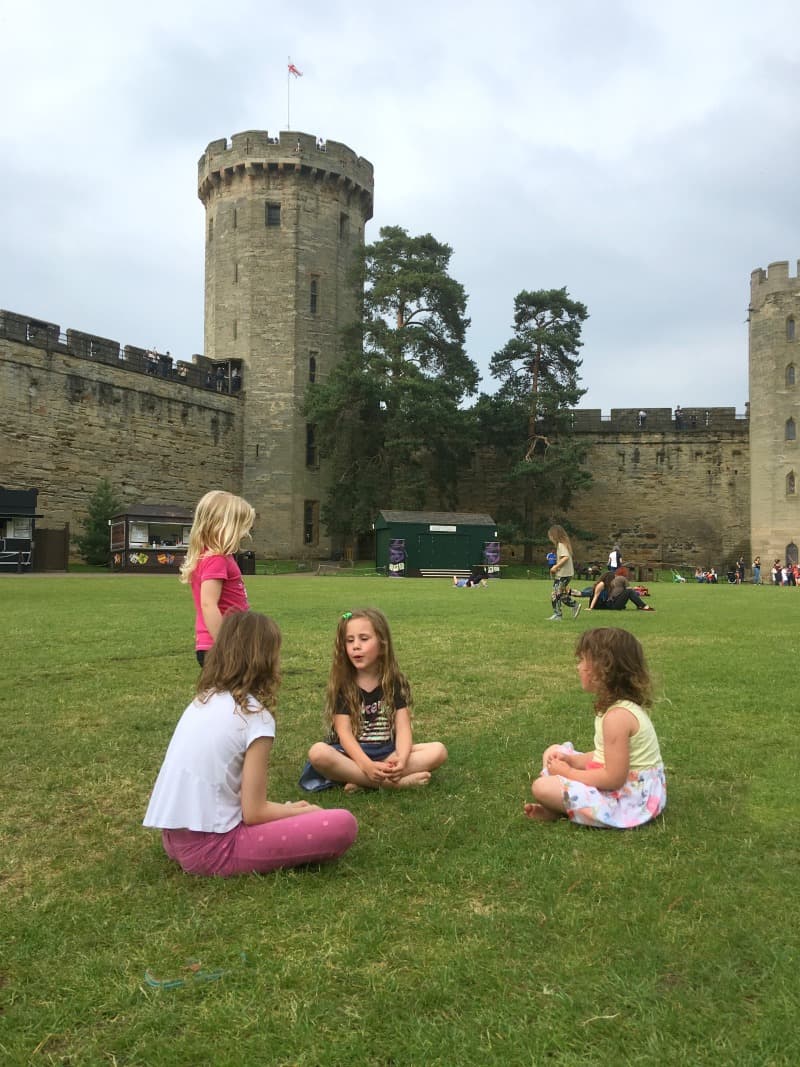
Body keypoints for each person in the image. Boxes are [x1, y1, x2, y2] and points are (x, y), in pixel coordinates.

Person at [143, 611, 358, 877]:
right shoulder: (255, 717)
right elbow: (254, 812)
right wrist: (298, 813)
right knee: (342, 824)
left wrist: (288, 809)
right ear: (266, 659)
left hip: (174, 838)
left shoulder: (203, 701)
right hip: (212, 849)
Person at [523, 627, 667, 828]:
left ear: (603, 670)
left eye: (582, 661)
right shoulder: (614, 709)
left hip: (630, 797)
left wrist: (568, 773)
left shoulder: (617, 717)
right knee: (553, 751)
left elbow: (614, 778)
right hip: (622, 781)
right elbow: (605, 755)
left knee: (542, 787)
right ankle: (561, 807)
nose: (578, 667)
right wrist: (572, 760)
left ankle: (559, 809)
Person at [300, 608, 448, 793]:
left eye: (364, 639)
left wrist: (401, 758)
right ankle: (390, 783)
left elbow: (403, 727)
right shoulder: (344, 685)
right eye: (350, 640)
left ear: (382, 644)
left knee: (438, 751)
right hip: (351, 756)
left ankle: (360, 780)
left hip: (387, 752)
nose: (355, 646)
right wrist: (365, 765)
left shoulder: (393, 682)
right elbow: (344, 733)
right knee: (318, 753)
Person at [179, 490, 255, 665]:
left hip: (224, 643)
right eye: (242, 528)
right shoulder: (216, 559)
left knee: (229, 691)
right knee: (234, 691)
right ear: (225, 527)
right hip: (219, 646)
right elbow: (208, 604)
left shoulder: (210, 556)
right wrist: (224, 644)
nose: (244, 535)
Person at [547, 524, 581, 621]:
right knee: (560, 594)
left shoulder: (561, 545)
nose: (550, 538)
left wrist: (555, 567)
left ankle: (558, 614)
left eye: (550, 536)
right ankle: (574, 605)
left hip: (563, 575)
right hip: (566, 574)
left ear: (555, 535)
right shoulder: (563, 545)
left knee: (555, 594)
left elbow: (565, 557)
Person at [588, 571, 654, 612]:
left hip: (608, 605)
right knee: (629, 591)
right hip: (605, 606)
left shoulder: (608, 585)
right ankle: (643, 606)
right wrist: (591, 608)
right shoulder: (601, 584)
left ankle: (640, 605)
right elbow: (595, 596)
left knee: (628, 591)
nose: (614, 580)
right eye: (613, 578)